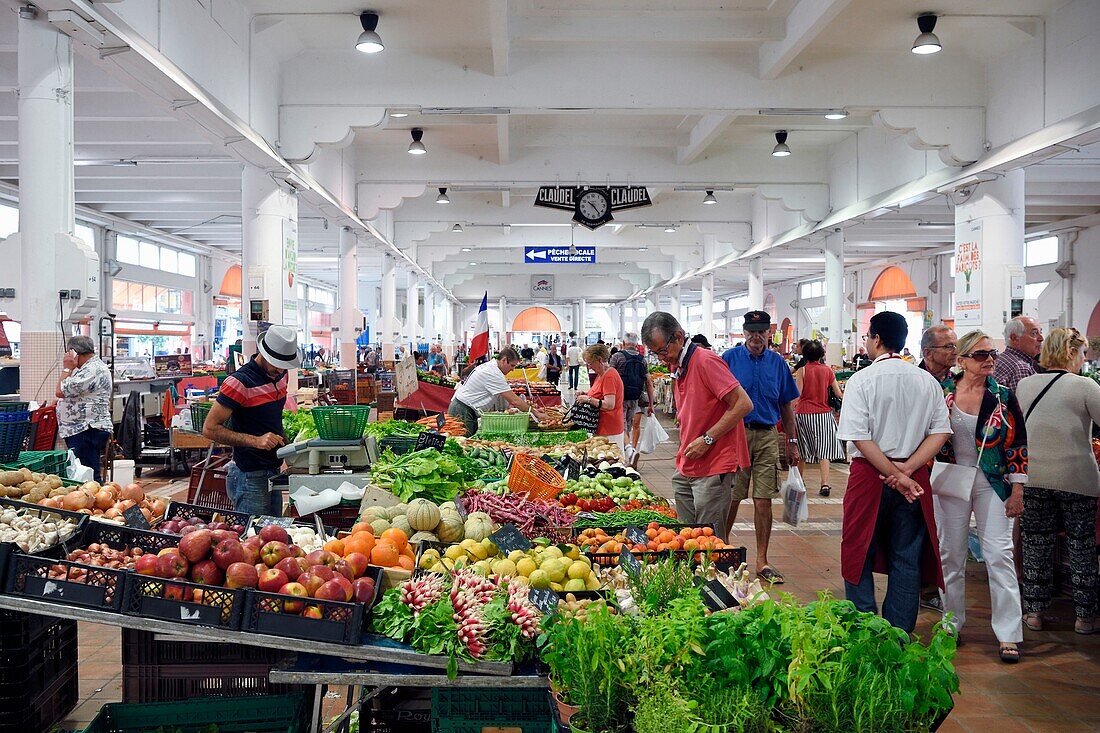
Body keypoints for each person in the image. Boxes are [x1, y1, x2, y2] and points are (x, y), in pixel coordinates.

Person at [836, 311, 951, 633]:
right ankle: (899, 633)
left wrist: (893, 473)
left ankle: (864, 629)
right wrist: (908, 471)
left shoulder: (861, 380)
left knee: (859, 551)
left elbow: (859, 435)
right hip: (913, 475)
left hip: (871, 474)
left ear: (875, 339)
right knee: (906, 556)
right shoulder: (926, 381)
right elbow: (941, 432)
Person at [933, 330, 1028, 662]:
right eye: (981, 355)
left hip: (993, 481)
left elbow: (1018, 445)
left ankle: (1008, 633)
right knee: (950, 555)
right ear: (961, 360)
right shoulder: (942, 392)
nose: (989, 360)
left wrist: (1017, 490)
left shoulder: (1003, 397)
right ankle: (951, 624)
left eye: (992, 354)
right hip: (951, 478)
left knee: (999, 554)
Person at [1015, 327, 1100, 635]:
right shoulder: (1086, 387)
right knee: (1081, 548)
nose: (1084, 359)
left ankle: (1034, 614)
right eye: (1082, 353)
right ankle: (1084, 618)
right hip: (1077, 477)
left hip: (1033, 476)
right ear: (1070, 353)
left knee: (1036, 544)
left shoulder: (1024, 386)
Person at [642, 312, 753, 536]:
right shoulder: (680, 367)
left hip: (713, 465)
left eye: (664, 351)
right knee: (688, 537)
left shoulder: (705, 361)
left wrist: (708, 438)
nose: (663, 358)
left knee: (708, 540)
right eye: (656, 354)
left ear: (679, 337)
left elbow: (743, 404)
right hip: (688, 463)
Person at [721, 311, 800, 584]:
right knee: (731, 496)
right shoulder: (729, 359)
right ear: (744, 332)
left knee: (764, 498)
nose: (757, 337)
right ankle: (722, 548)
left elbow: (786, 406)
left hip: (767, 434)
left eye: (761, 331)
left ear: (769, 333)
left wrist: (791, 442)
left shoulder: (778, 363)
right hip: (735, 435)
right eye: (751, 331)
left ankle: (762, 560)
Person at [203, 326, 298, 516]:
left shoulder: (281, 376)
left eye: (283, 365)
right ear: (263, 353)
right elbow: (210, 429)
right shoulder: (239, 382)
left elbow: (273, 420)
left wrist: (292, 452)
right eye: (275, 363)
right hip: (249, 475)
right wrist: (256, 441)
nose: (279, 369)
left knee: (272, 536)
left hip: (273, 469)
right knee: (251, 537)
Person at [448, 347, 548, 435]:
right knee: (462, 444)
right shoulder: (493, 373)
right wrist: (535, 413)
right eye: (512, 365)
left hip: (465, 409)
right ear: (504, 360)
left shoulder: (492, 368)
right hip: (462, 411)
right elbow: (514, 401)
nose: (513, 370)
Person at [55, 336, 113, 482]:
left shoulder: (91, 370)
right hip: (84, 428)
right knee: (86, 472)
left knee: (87, 476)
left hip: (86, 429)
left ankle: (94, 502)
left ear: (74, 352)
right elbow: (74, 393)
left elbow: (60, 390)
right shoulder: (90, 368)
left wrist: (67, 367)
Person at [793, 340, 845, 497]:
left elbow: (798, 394)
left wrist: (789, 408)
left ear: (805, 354)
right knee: (824, 451)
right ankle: (825, 484)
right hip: (823, 414)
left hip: (803, 414)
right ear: (822, 354)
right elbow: (838, 393)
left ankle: (800, 481)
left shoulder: (802, 371)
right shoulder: (828, 371)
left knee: (802, 450)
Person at [610, 332, 655, 463]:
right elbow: (649, 383)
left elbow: (609, 376)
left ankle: (629, 452)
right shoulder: (642, 359)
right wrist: (651, 404)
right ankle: (628, 454)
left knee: (621, 426)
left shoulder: (617, 357)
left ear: (623, 344)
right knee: (627, 426)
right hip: (635, 398)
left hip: (620, 398)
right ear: (636, 345)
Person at [576, 344, 626, 451]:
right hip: (602, 427)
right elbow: (598, 393)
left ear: (599, 360)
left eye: (590, 363)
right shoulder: (600, 375)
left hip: (609, 429)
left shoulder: (609, 376)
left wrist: (588, 399)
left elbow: (609, 404)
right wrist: (584, 393)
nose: (589, 367)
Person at [994, 316, 1043, 392]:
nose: (1041, 338)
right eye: (1034, 333)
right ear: (1014, 338)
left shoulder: (1001, 359)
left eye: (1040, 332)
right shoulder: (1021, 368)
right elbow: (1023, 403)